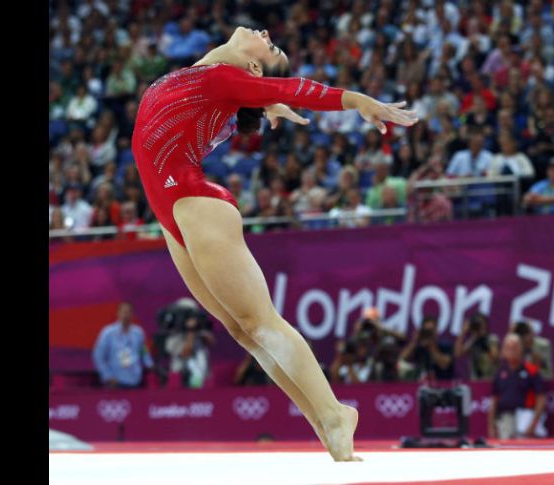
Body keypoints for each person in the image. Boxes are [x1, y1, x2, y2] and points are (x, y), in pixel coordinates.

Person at [131, 26, 417, 462]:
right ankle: (326, 423)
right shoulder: (203, 76)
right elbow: (245, 93)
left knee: (261, 322)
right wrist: (264, 100)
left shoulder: (219, 79)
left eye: (271, 46)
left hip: (194, 204)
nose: (265, 33)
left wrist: (354, 99)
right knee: (242, 332)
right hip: (173, 211)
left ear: (250, 66)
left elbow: (293, 85)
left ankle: (336, 412)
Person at [487, 334, 547, 440]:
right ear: (503, 350)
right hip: (505, 418)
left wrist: (533, 424)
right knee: (505, 451)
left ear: (521, 349)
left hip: (525, 418)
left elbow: (541, 399)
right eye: (508, 347)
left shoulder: (531, 370)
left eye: (514, 347)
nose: (511, 350)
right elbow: (494, 400)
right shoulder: (500, 372)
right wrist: (491, 425)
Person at [92, 302, 154, 388]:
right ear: (118, 313)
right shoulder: (108, 333)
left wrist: (149, 363)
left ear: (132, 314)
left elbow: (143, 350)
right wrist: (108, 376)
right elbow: (98, 356)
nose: (126, 315)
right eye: (124, 312)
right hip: (115, 381)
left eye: (129, 312)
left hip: (135, 379)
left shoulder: (138, 332)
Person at [454, 313, 500, 381]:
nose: (480, 326)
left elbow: (495, 358)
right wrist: (462, 333)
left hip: (489, 378)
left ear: (486, 324)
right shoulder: (473, 340)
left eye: (481, 323)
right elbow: (458, 353)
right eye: (478, 323)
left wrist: (483, 341)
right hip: (475, 379)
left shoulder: (492, 338)